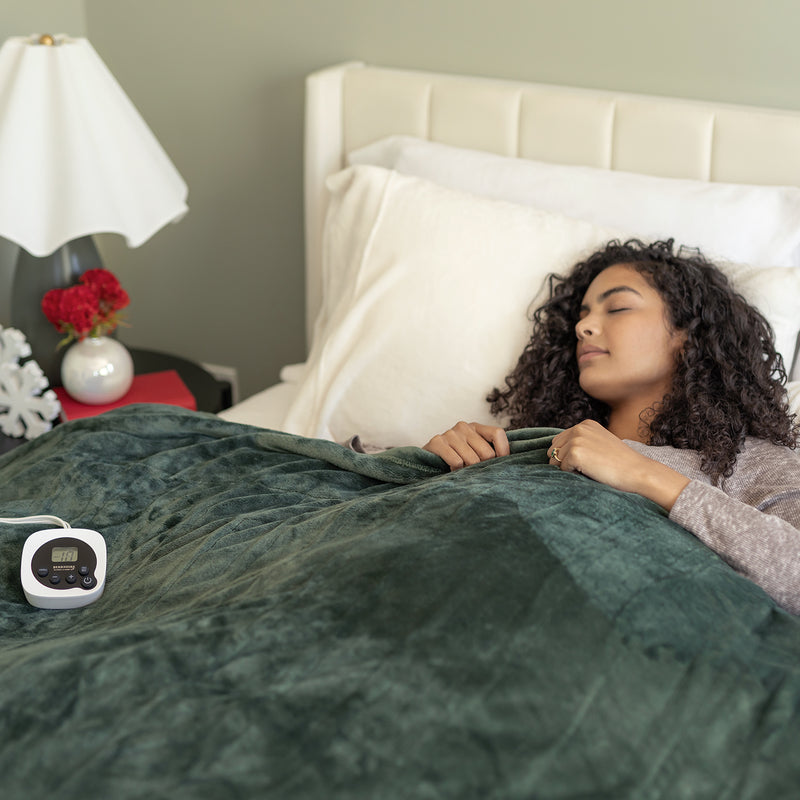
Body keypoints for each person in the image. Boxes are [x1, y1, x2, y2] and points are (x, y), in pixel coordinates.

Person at [422, 239, 800, 614]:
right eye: (581, 315)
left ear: (688, 336)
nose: (583, 326)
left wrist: (643, 473)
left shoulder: (750, 461)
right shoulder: (536, 445)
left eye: (617, 307)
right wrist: (431, 467)